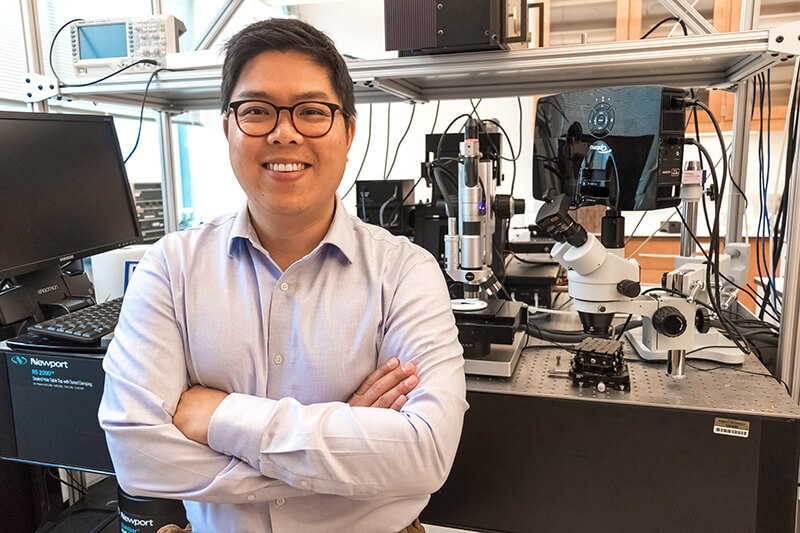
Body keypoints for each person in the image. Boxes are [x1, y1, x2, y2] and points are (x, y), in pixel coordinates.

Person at [98, 17, 468, 533]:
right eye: (256, 110)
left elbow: (425, 454)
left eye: (312, 111)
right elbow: (139, 458)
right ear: (228, 127)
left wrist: (221, 418)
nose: (284, 131)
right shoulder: (170, 267)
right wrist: (348, 451)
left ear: (347, 132)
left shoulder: (404, 271)